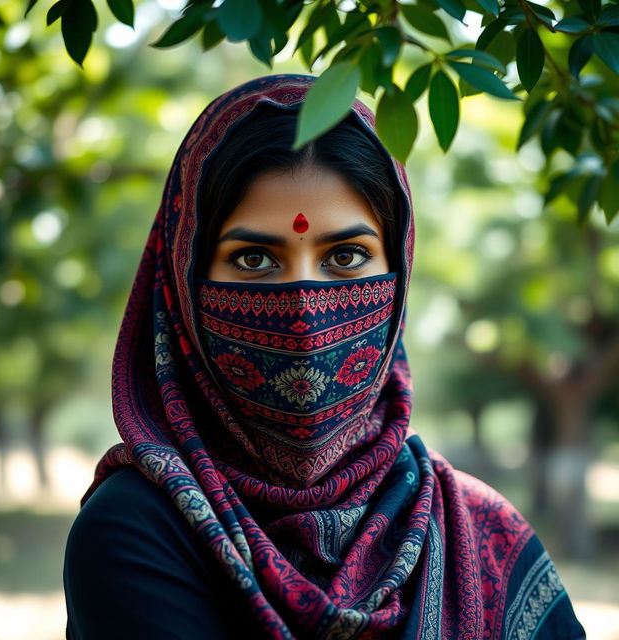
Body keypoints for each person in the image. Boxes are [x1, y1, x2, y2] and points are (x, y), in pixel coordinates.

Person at [62, 73, 586, 640]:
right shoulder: (138, 530)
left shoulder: (481, 529)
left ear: (399, 276)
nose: (305, 314)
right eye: (255, 259)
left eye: (346, 255)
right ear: (185, 290)